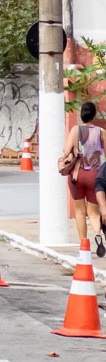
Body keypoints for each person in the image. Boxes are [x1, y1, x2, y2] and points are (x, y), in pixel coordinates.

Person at [64, 101, 106, 255]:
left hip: (78, 174)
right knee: (94, 212)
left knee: (80, 211)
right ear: (94, 115)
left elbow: (66, 151)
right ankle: (97, 233)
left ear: (82, 114)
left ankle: (84, 245)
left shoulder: (76, 130)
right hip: (96, 175)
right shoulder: (102, 132)